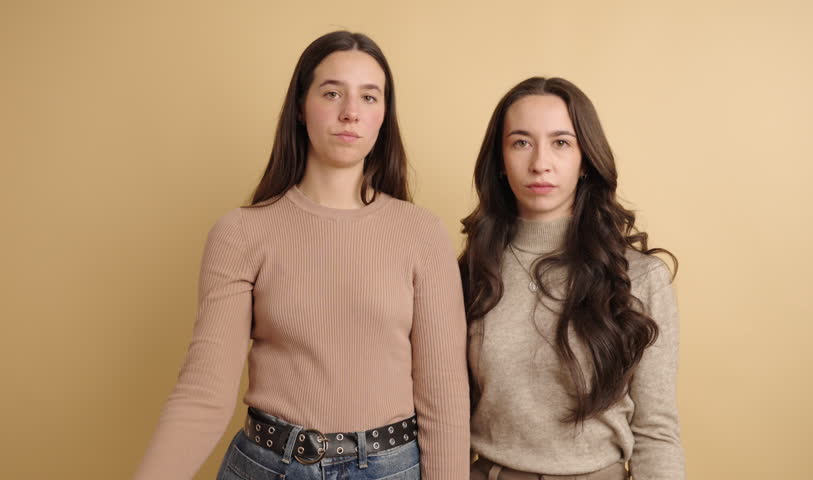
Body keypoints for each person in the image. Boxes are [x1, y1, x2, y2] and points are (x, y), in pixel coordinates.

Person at [133, 31, 469, 480]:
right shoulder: (240, 232)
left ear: (384, 115)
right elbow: (204, 393)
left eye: (369, 97)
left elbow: (443, 396)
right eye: (332, 93)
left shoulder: (420, 233)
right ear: (299, 105)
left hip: (389, 467)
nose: (351, 112)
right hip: (268, 465)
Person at [460, 77, 684, 480]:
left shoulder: (639, 277)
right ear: (499, 160)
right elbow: (443, 414)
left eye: (561, 142)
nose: (540, 162)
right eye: (521, 142)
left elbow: (657, 431)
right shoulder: (470, 271)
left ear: (585, 160)